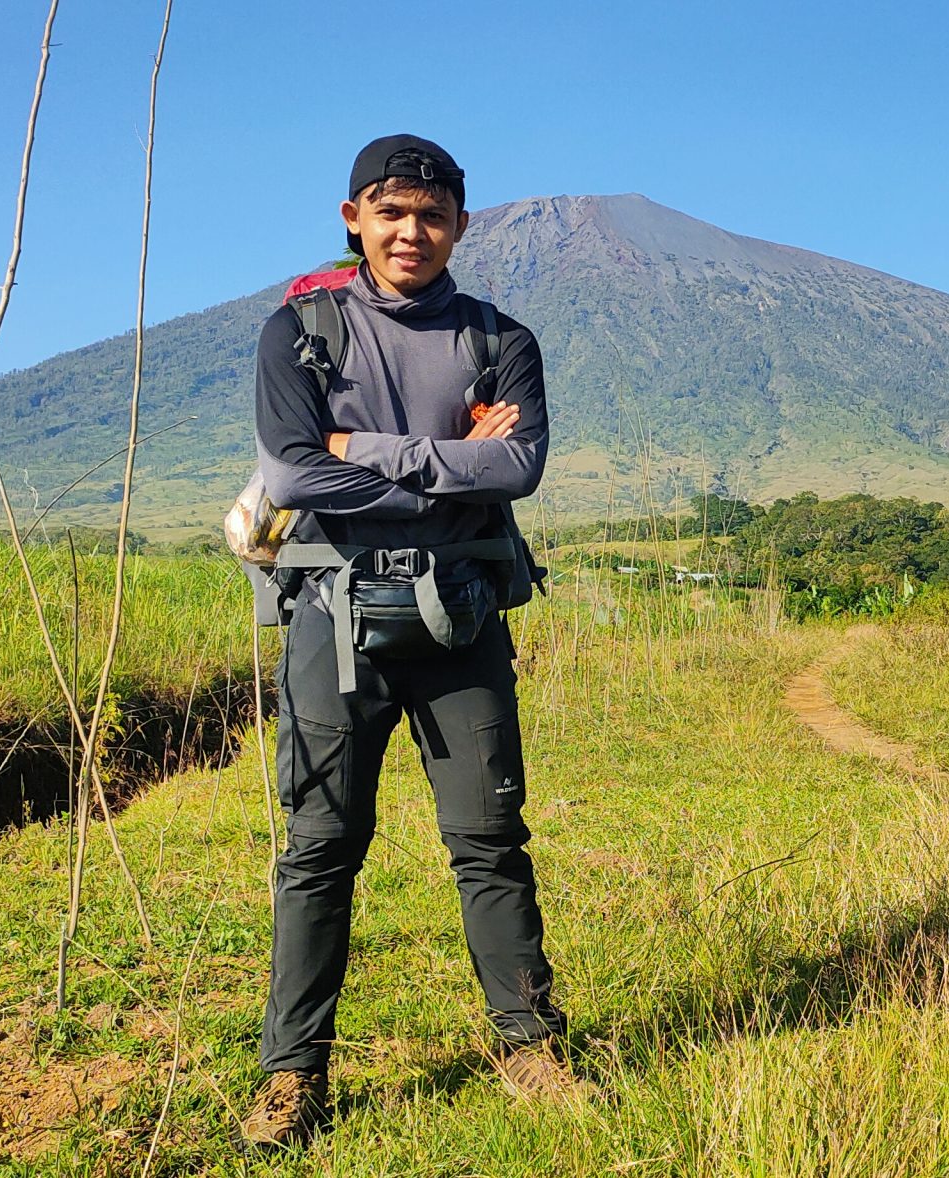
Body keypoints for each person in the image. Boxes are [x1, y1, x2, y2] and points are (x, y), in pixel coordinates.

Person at [241, 134, 568, 1149]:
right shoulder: (300, 330)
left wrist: (365, 454)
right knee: (319, 850)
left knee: (489, 841)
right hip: (332, 625)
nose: (410, 232)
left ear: (461, 226)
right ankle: (292, 1077)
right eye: (390, 213)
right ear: (353, 219)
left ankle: (531, 1049)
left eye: (431, 215)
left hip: (460, 620)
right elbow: (294, 476)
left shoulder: (499, 338)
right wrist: (449, 459)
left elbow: (517, 467)